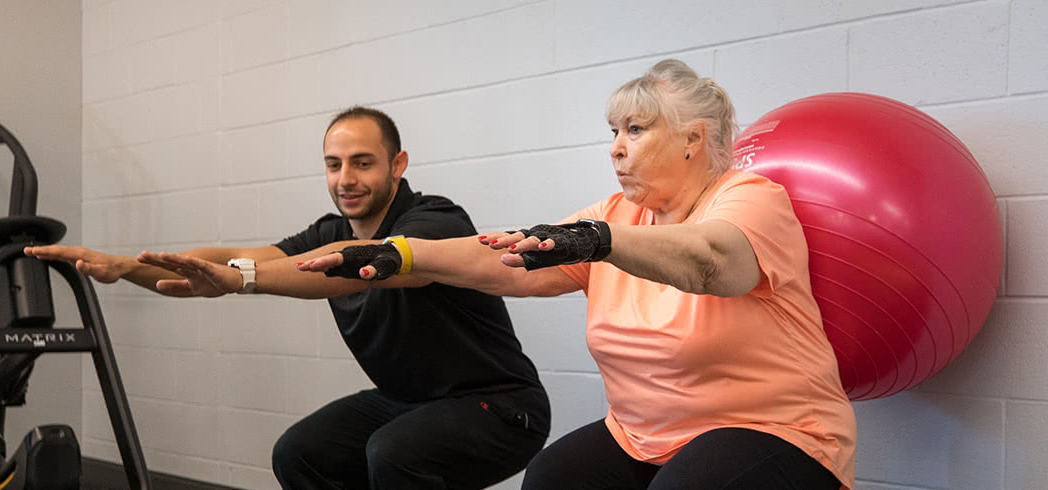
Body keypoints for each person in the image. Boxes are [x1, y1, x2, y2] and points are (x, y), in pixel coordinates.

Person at [149, 60, 857, 489]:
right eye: (610, 133)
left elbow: (713, 263)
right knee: (554, 479)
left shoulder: (749, 200)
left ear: (694, 141)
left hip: (775, 429)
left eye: (633, 132)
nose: (615, 150)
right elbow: (503, 263)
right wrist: (395, 255)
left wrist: (596, 240)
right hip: (646, 434)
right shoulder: (616, 213)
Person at [27, 106, 549, 489]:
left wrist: (242, 279)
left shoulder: (435, 219)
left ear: (398, 165)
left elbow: (359, 263)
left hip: (500, 407)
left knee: (393, 454)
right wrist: (120, 267)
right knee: (301, 453)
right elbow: (231, 255)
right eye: (334, 164)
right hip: (409, 401)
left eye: (363, 163)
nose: (346, 179)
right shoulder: (326, 230)